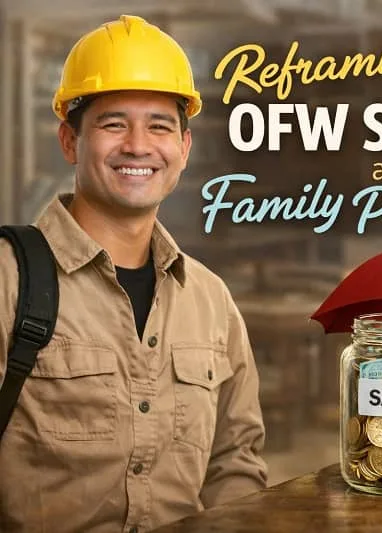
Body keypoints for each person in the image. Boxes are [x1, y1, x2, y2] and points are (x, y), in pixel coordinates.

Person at [0, 15, 268, 533]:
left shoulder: (210, 300)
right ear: (70, 141)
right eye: (113, 123)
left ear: (184, 149)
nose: (139, 146)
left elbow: (234, 461)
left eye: (160, 126)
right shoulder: (9, 280)